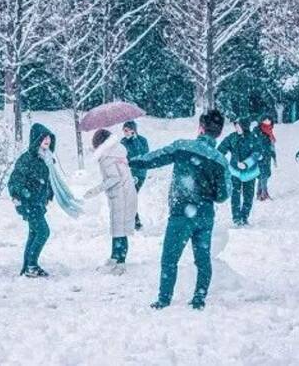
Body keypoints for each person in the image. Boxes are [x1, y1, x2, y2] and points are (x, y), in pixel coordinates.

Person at [129, 110, 230, 310]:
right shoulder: (220, 161)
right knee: (203, 259)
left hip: (181, 214)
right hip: (205, 215)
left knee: (169, 258)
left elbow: (153, 159)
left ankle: (164, 299)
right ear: (218, 133)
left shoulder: (183, 147)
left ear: (200, 128)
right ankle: (199, 299)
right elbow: (223, 195)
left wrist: (131, 161)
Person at [84, 129, 137, 275]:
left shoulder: (107, 156)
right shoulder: (115, 151)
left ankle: (121, 263)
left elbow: (114, 178)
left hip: (121, 195)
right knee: (118, 228)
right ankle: (115, 257)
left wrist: (95, 190)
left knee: (120, 229)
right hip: (123, 193)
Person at [7, 123, 56, 278]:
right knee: (43, 232)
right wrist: (25, 195)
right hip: (29, 203)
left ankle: (27, 266)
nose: (47, 140)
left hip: (38, 203)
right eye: (44, 137)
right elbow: (14, 182)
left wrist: (49, 194)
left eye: (49, 137)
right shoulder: (26, 159)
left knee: (34, 234)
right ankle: (31, 266)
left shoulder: (46, 158)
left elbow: (48, 180)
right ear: (36, 139)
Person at [218, 116, 260, 226]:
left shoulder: (253, 138)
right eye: (235, 125)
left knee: (248, 196)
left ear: (245, 126)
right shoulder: (232, 137)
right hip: (235, 172)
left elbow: (257, 153)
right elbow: (221, 149)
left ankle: (244, 216)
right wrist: (217, 157)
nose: (236, 127)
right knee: (235, 195)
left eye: (238, 125)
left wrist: (246, 163)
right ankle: (236, 218)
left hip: (250, 173)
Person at [121, 121, 149, 230]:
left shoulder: (142, 140)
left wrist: (135, 139)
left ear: (133, 130)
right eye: (124, 130)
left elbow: (142, 154)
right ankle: (133, 221)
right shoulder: (123, 141)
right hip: (127, 172)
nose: (125, 133)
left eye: (127, 130)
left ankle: (135, 223)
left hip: (139, 173)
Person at [254, 115, 277, 201]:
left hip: (267, 156)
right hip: (260, 156)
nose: (267, 122)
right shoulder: (257, 131)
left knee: (264, 174)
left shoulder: (269, 131)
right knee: (263, 174)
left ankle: (259, 193)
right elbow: (255, 143)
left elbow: (271, 145)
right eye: (265, 120)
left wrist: (274, 156)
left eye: (269, 120)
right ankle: (264, 193)